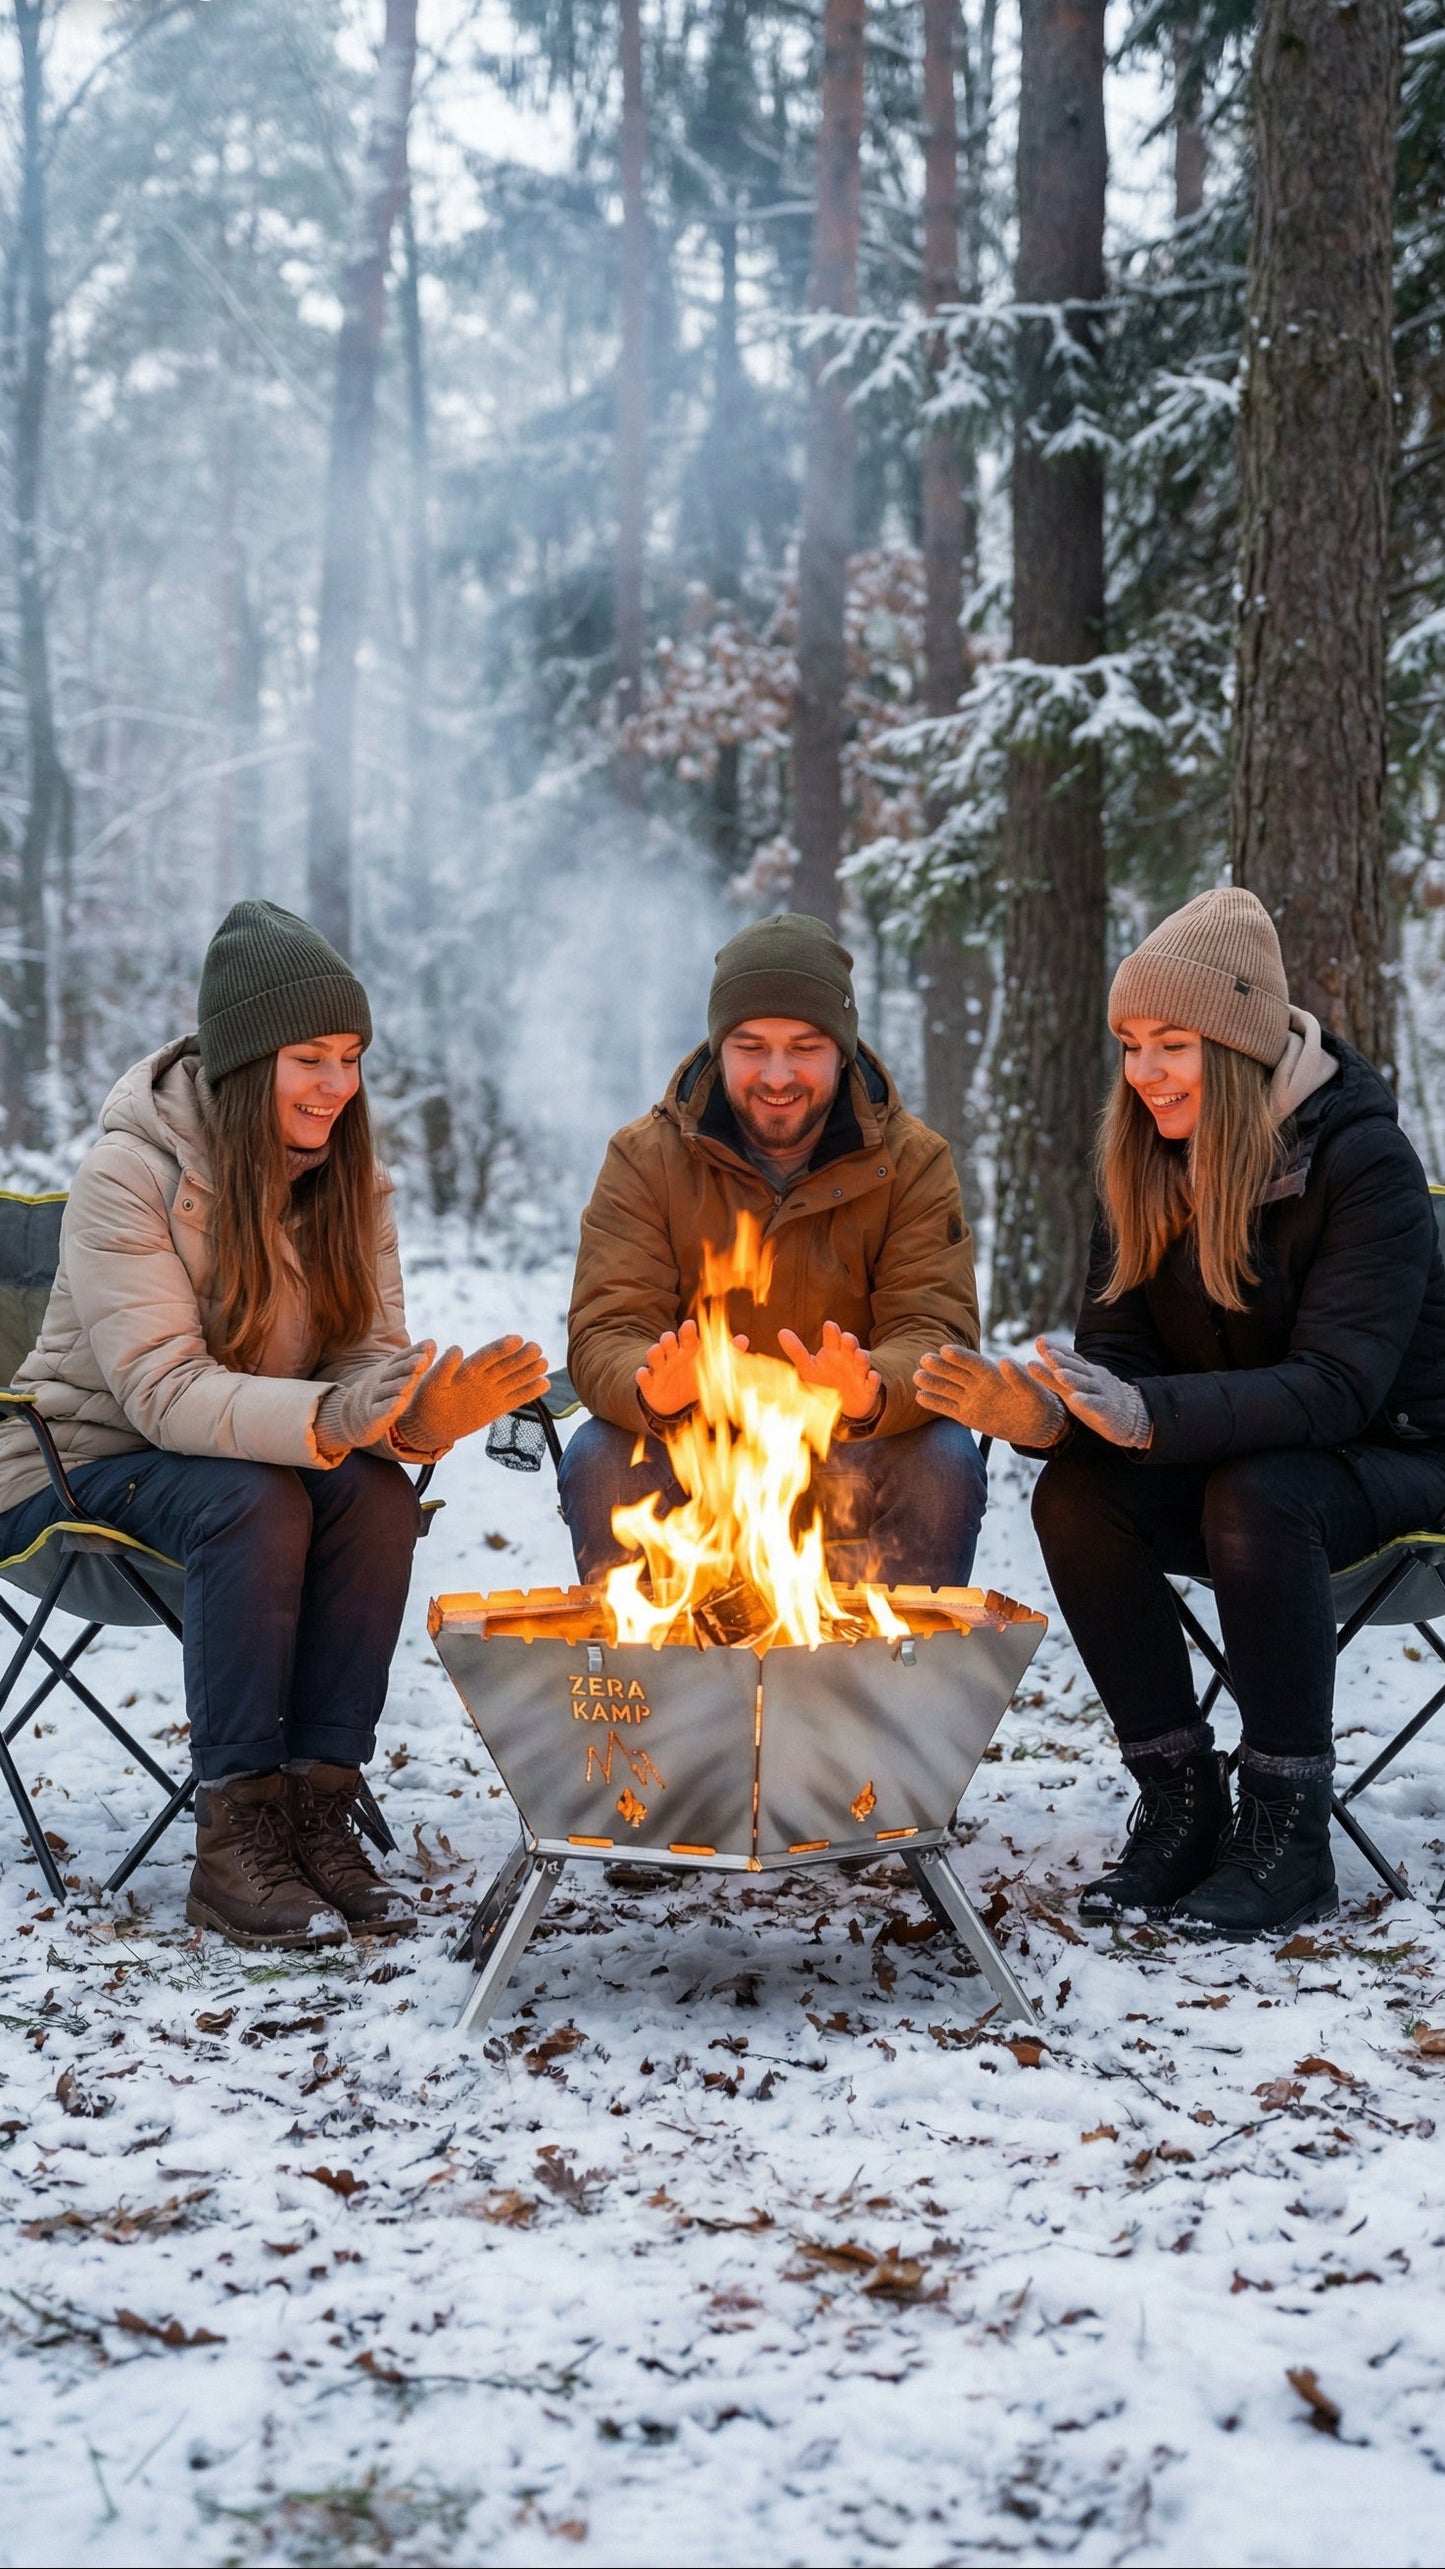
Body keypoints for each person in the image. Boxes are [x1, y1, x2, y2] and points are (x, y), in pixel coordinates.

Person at [0, 901, 548, 1950]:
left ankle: (317, 1810)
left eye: (351, 1057)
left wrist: (411, 1418)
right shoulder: (129, 1174)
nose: (338, 1085)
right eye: (310, 1058)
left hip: (245, 1466)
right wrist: (336, 1414)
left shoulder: (350, 1182)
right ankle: (235, 1841)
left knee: (375, 1495)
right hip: (71, 1470)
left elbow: (363, 1358)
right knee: (255, 1498)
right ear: (248, 1062)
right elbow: (161, 1389)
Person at [915, 886, 1445, 1940]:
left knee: (1258, 1492)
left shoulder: (1362, 1164)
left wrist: (1146, 1413)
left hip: (1399, 1468)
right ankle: (1179, 1799)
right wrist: (1049, 1418)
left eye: (1171, 1044)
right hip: (1244, 1472)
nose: (1143, 1071)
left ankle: (1287, 1834)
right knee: (1076, 1496)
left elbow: (1336, 1386)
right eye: (1129, 1045)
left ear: (1238, 1045)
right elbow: (1116, 1360)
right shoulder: (1144, 1160)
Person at [561, 910, 986, 1592]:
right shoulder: (645, 1158)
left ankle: (888, 1660)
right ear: (718, 1048)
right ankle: (652, 1661)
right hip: (694, 1443)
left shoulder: (913, 1161)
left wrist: (871, 1389)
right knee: (599, 1457)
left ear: (841, 1049)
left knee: (942, 1460)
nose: (777, 1074)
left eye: (805, 1046)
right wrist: (654, 1389)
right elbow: (607, 1327)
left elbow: (934, 1328)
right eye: (751, 1046)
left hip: (847, 1441)